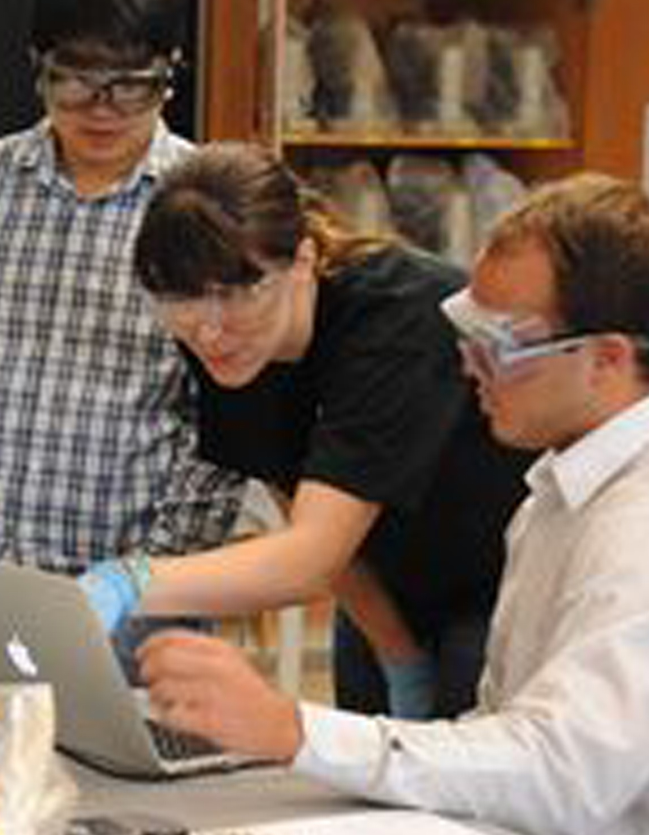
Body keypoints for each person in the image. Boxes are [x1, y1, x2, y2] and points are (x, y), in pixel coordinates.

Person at [138, 171, 649, 835]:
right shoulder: (550, 499)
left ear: (608, 359)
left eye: (499, 342)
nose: (467, 363)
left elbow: (559, 775)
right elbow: (505, 735)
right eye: (467, 329)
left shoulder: (634, 529)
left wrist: (294, 729)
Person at [80, 142, 531, 718]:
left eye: (237, 295)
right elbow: (300, 505)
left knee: (460, 790)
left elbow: (309, 557)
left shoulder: (397, 321)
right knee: (365, 774)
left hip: (498, 582)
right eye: (179, 301)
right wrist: (398, 654)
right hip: (386, 580)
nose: (210, 332)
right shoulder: (222, 337)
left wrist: (128, 583)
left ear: (301, 260)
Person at [0, 0, 245, 573]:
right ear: (38, 64)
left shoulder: (205, 202)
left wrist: (147, 577)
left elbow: (225, 418)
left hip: (146, 584)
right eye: (76, 77)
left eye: (132, 84)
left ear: (171, 71)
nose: (102, 107)